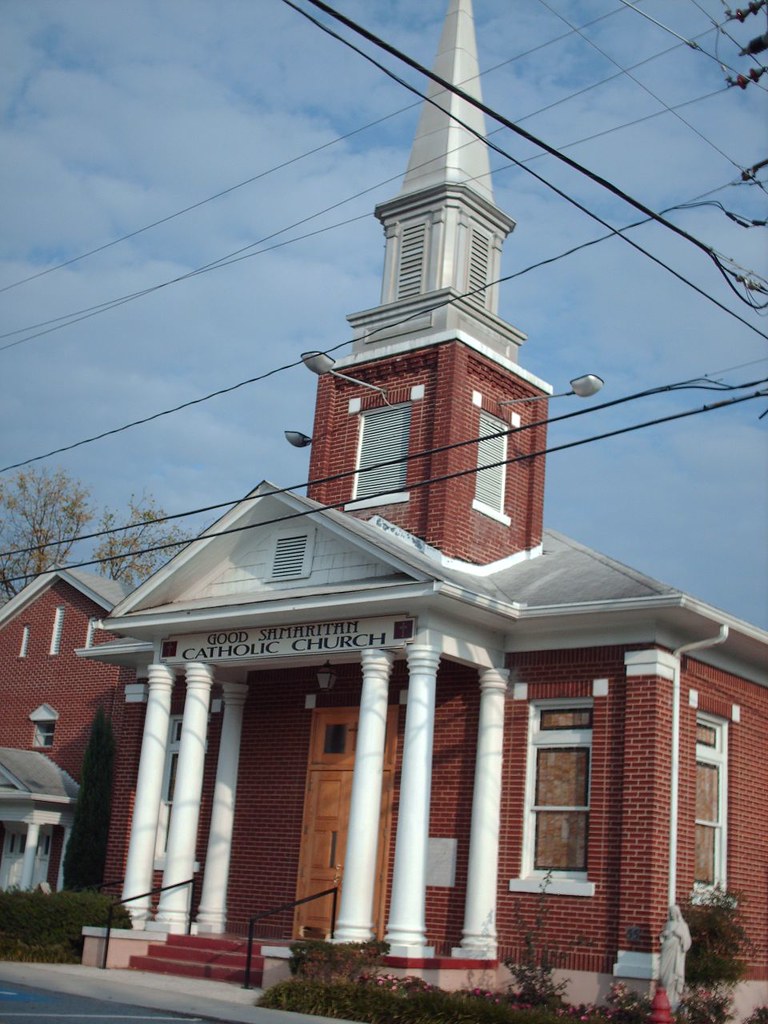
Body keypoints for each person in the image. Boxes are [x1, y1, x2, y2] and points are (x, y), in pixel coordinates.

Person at [659, 904, 692, 1010]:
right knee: (664, 976)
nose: (672, 914)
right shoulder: (667, 924)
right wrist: (664, 935)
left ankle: (673, 1001)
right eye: (671, 913)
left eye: (674, 913)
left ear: (678, 914)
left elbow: (687, 942)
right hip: (666, 952)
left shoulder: (683, 926)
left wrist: (679, 935)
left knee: (673, 978)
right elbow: (662, 938)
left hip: (676, 954)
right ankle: (665, 999)